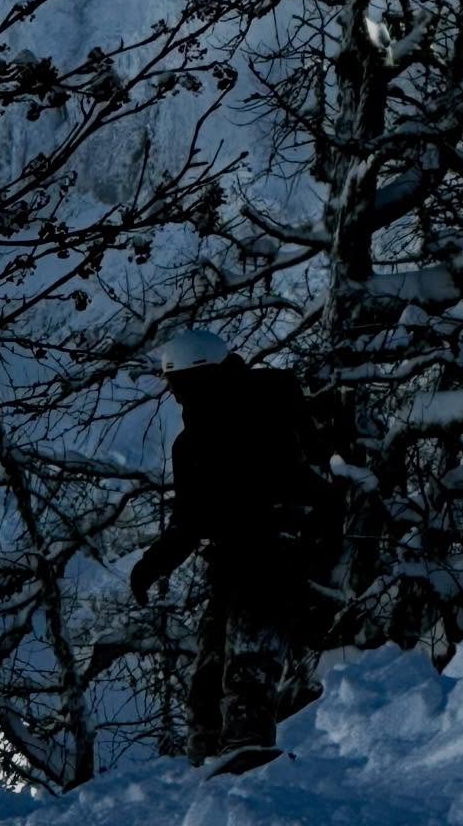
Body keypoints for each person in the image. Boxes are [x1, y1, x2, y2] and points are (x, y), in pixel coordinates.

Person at [129, 328, 338, 766]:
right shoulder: (191, 445)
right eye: (175, 388)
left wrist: (308, 525)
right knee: (209, 673)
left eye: (186, 385)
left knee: (249, 660)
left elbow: (311, 468)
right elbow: (189, 520)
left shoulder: (270, 403)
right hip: (233, 561)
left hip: (278, 550)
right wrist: (151, 566)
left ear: (209, 375)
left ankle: (247, 750)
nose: (181, 398)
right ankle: (208, 758)